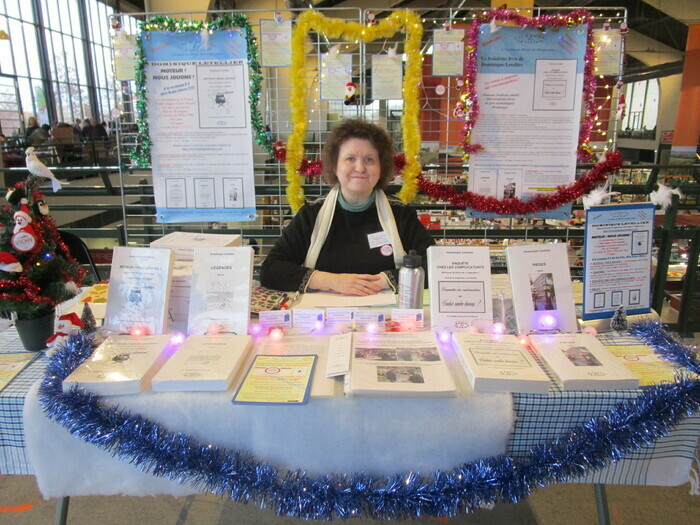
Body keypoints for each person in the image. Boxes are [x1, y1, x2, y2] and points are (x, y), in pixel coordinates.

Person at [260, 119, 434, 295]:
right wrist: (331, 281)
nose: (360, 168)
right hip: (325, 318)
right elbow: (271, 270)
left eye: (369, 159)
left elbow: (435, 265)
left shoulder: (401, 214)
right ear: (335, 166)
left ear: (381, 167)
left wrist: (385, 280)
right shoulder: (312, 214)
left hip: (387, 318)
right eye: (350, 158)